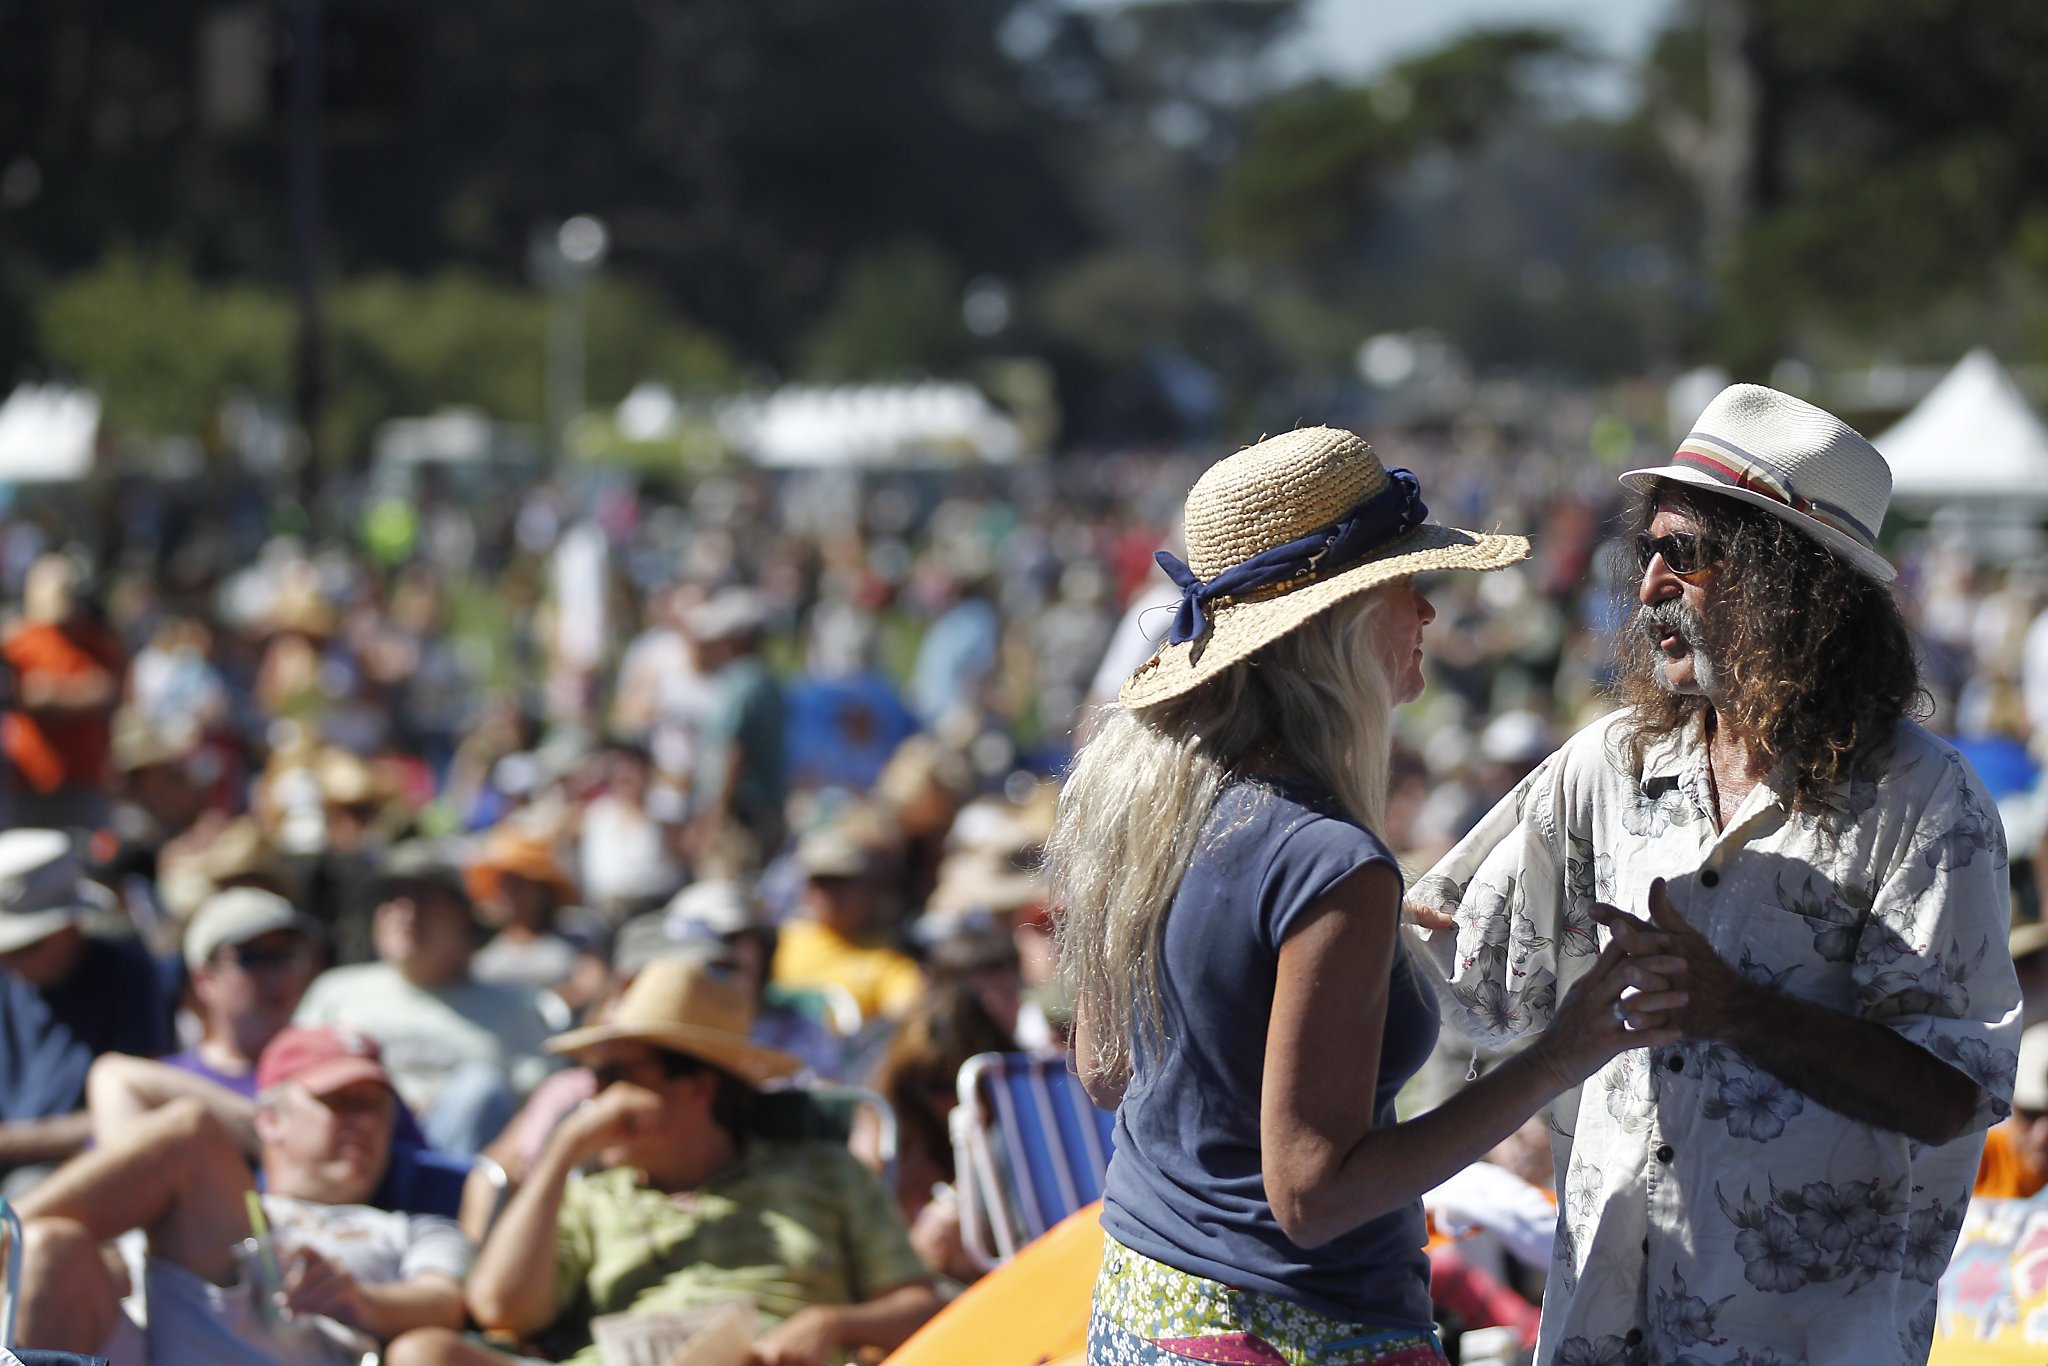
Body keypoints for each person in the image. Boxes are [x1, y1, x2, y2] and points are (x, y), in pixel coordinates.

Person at [1408, 384, 2023, 1363]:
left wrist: (1736, 1009)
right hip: (1601, 1329)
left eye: (1683, 554)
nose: (1646, 582)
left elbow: (1951, 1092)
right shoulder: (1601, 768)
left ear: (1794, 584)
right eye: (1642, 551)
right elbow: (1438, 950)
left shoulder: (1922, 800)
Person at [1050, 428, 1682, 1366]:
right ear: (1335, 625)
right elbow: (1314, 1198)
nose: (1428, 610)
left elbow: (1104, 1069)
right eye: (1403, 586)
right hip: (1300, 1331)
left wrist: (1332, 954)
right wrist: (1565, 1050)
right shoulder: (1330, 863)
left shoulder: (1149, 801)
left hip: (1144, 1309)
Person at [385, 957, 942, 1366]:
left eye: (614, 1076)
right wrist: (561, 1151)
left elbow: (920, 1305)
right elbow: (499, 1310)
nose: (595, 1097)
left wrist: (831, 1323)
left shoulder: (824, 1172)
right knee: (421, 1356)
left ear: (698, 1086)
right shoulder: (591, 1192)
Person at [12, 1025, 471, 1365]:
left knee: (192, 1132)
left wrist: (360, 1299)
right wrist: (255, 1126)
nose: (365, 1122)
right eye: (339, 1101)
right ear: (270, 1120)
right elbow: (115, 1076)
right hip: (148, 1341)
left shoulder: (411, 1225)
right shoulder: (208, 1188)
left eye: (375, 1107)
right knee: (51, 1246)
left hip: (278, 1349)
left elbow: (444, 1303)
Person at [293, 841, 554, 1155]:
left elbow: (545, 1107)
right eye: (392, 899)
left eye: (424, 898)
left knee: (479, 1089)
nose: (405, 913)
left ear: (463, 918)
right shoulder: (336, 990)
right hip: (352, 1160)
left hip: (462, 1178)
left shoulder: (515, 1008)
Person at [0, 827, 168, 1196]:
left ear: (72, 924)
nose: (9, 960)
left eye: (26, 944)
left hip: (81, 1168)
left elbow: (144, 1112)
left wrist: (17, 1142)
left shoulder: (126, 975)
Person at [2, 554, 123, 830]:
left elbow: (105, 691)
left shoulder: (96, 641)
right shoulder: (18, 642)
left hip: (85, 776)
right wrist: (72, 694)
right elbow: (19, 694)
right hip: (31, 778)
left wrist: (51, 695)